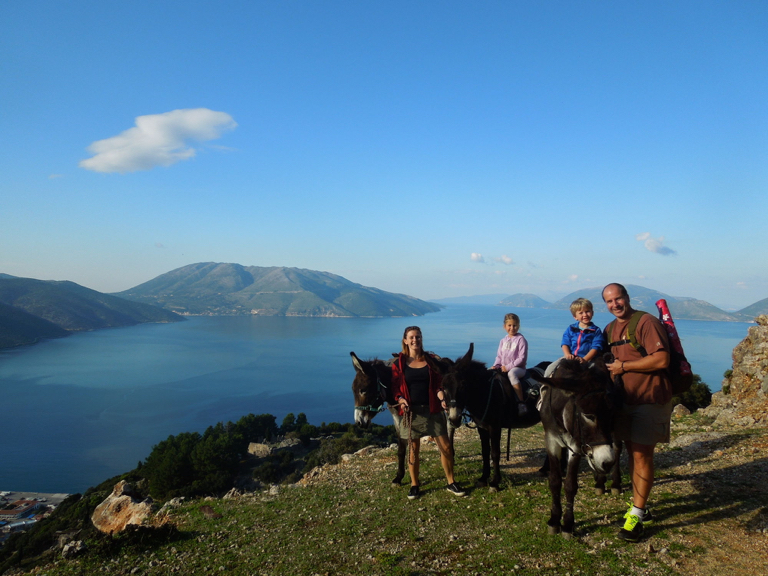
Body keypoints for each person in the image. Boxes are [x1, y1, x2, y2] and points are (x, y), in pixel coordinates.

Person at [602, 283, 672, 543]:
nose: (614, 304)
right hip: (625, 401)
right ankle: (640, 504)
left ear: (627, 298)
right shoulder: (610, 329)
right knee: (632, 452)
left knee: (642, 454)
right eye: (609, 301)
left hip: (650, 399)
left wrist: (624, 366)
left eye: (618, 299)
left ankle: (637, 515)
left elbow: (662, 359)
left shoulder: (646, 322)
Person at [392, 326, 465, 500]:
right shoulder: (399, 363)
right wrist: (401, 400)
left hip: (433, 409)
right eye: (411, 337)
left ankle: (451, 481)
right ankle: (414, 484)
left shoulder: (431, 360)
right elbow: (396, 388)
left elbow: (439, 385)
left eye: (418, 337)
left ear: (421, 339)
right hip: (412, 412)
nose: (415, 340)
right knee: (414, 450)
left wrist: (442, 399)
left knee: (446, 447)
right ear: (405, 340)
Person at [544, 298, 605, 378]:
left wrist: (585, 359)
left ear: (592, 313)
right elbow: (565, 343)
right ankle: (544, 387)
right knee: (550, 368)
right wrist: (567, 354)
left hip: (589, 359)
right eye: (581, 313)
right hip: (571, 357)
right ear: (575, 317)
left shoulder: (596, 330)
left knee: (596, 375)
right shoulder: (571, 328)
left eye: (587, 311)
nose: (585, 315)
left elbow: (596, 347)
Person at [491, 313, 529, 415]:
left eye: (515, 325)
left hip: (518, 369)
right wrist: (495, 366)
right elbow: (499, 356)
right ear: (505, 326)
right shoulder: (503, 341)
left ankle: (521, 403)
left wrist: (508, 367)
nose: (512, 328)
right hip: (503, 368)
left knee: (512, 374)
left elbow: (522, 358)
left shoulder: (521, 340)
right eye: (509, 325)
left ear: (518, 326)